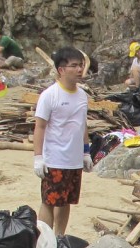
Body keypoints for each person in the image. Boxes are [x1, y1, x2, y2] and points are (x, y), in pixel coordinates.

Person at [33, 47, 90, 236]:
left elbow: (82, 124)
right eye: (74, 66)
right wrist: (38, 157)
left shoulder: (82, 95)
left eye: (81, 65)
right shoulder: (50, 95)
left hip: (73, 161)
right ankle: (44, 241)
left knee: (65, 202)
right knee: (49, 202)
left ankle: (59, 238)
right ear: (61, 70)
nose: (79, 69)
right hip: (55, 159)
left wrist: (86, 152)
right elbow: (40, 126)